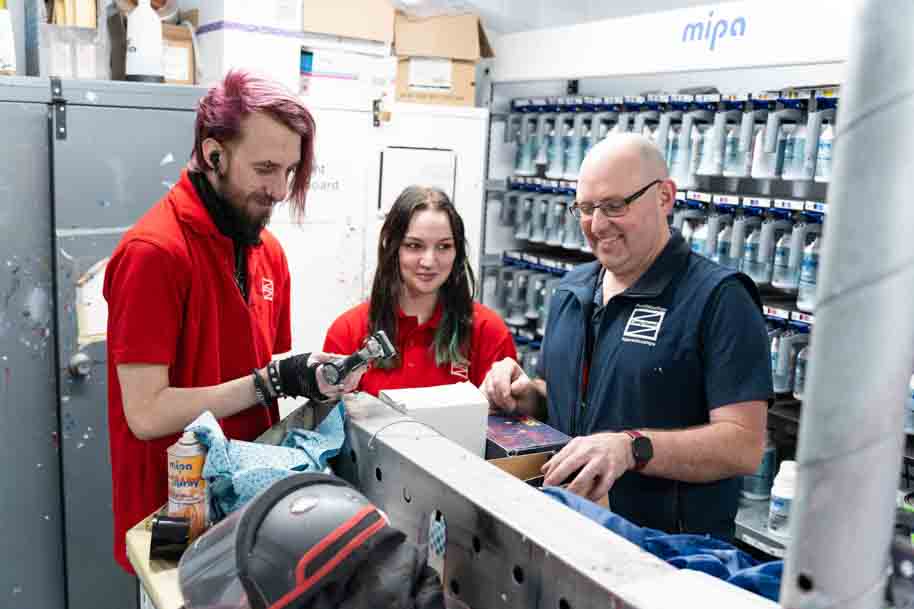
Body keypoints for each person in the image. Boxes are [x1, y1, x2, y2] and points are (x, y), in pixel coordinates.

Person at [103, 70, 363, 573]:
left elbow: (264, 371)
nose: (280, 190)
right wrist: (269, 382)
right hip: (171, 511)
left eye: (289, 171)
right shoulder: (154, 253)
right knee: (173, 595)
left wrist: (310, 376)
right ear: (213, 154)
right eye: (265, 168)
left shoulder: (268, 253)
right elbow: (147, 413)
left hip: (243, 503)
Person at [481, 132, 772, 540]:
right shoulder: (571, 290)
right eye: (585, 208)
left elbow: (743, 445)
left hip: (669, 556)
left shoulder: (719, 298)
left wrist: (630, 448)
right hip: (567, 530)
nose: (597, 225)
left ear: (664, 197)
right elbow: (566, 400)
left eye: (615, 206)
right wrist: (525, 395)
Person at [324, 186, 516, 396]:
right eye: (414, 246)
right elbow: (331, 423)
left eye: (444, 246)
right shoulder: (347, 332)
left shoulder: (488, 331)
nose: (429, 261)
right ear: (392, 247)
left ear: (457, 252)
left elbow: (507, 424)